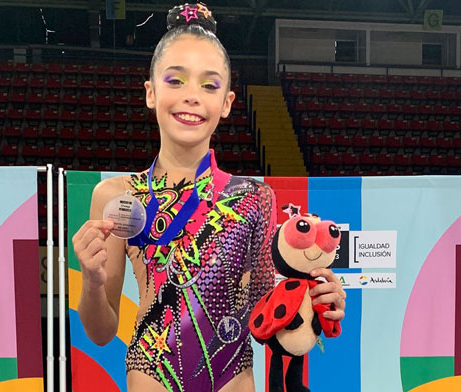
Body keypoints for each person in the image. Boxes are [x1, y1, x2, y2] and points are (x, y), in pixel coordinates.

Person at [71, 4, 347, 391]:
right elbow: (101, 333)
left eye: (209, 84)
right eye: (175, 80)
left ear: (228, 103)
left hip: (233, 379)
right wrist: (94, 281)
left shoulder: (254, 198)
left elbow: (265, 317)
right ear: (151, 92)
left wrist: (314, 305)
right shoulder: (118, 197)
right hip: (151, 378)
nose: (192, 97)